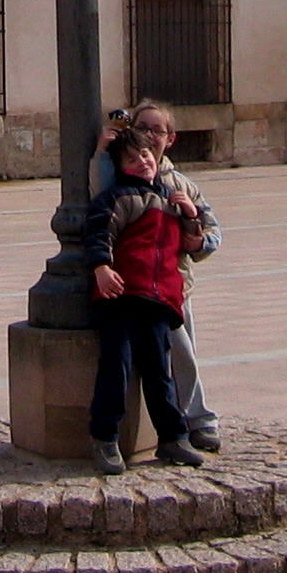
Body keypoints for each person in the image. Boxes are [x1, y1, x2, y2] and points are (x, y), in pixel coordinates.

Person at [90, 101, 221, 450]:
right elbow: (99, 205)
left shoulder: (180, 184)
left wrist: (198, 237)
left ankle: (197, 421)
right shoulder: (121, 177)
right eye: (142, 126)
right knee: (151, 361)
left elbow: (210, 232)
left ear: (171, 138)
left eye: (156, 130)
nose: (149, 136)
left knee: (182, 357)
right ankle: (173, 428)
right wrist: (103, 150)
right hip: (133, 288)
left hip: (175, 285)